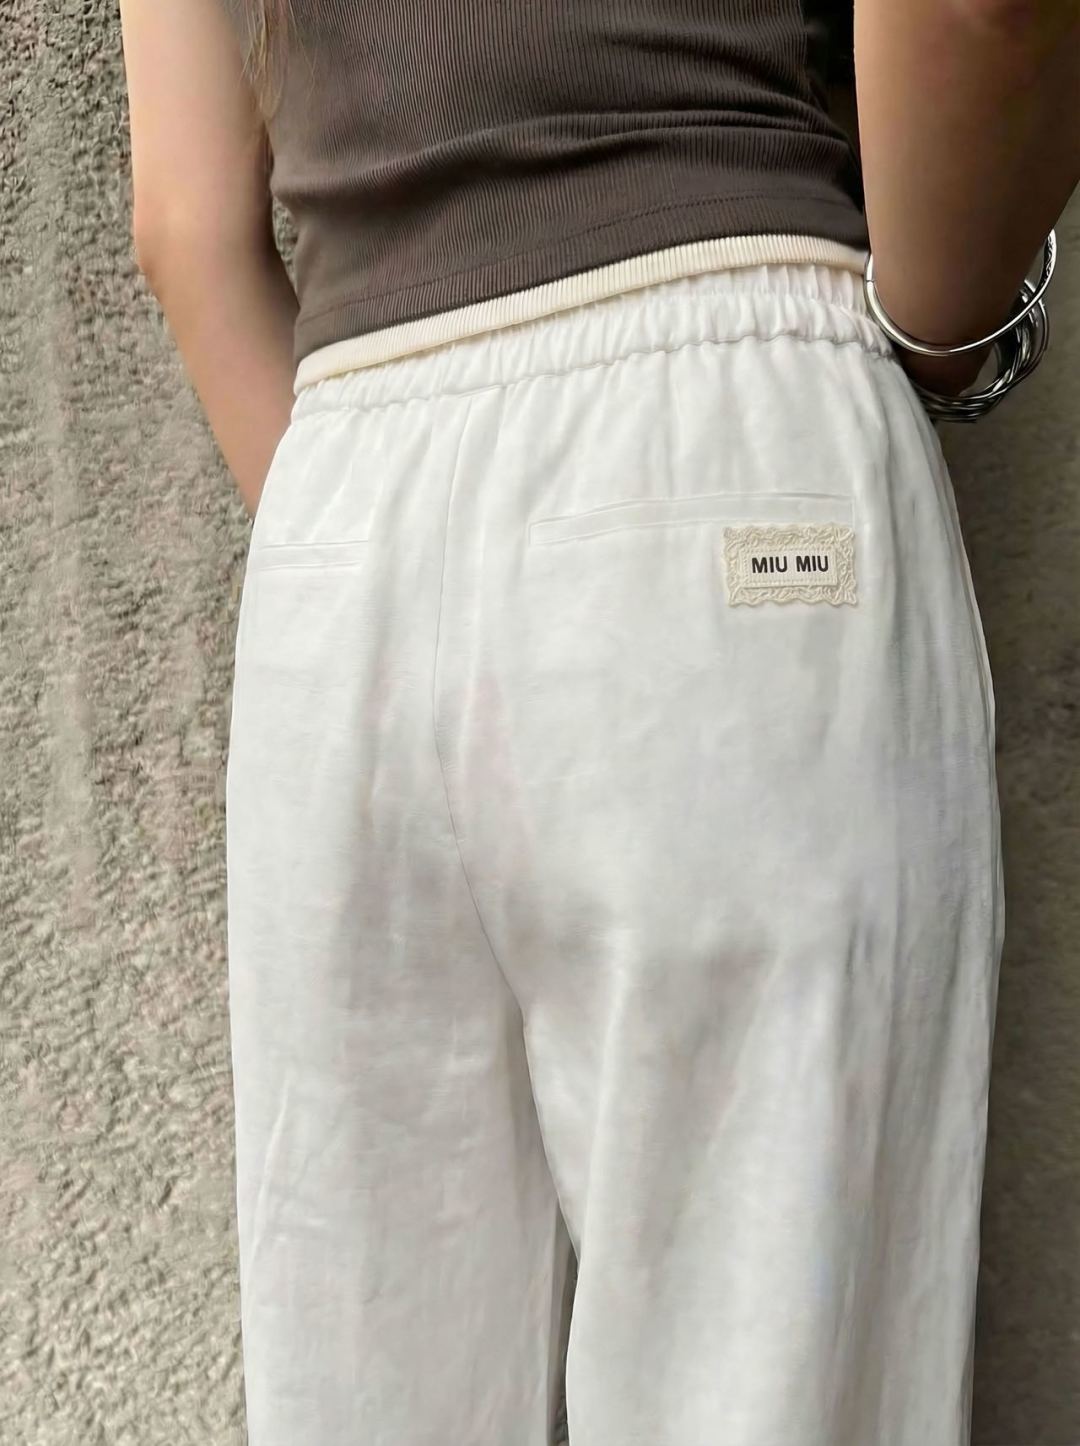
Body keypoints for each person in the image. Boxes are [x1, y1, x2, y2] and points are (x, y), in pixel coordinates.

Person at [119, 2, 1078, 1442]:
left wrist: (371, 567)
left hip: (341, 506)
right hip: (724, 419)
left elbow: (186, 221)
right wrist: (946, 338)